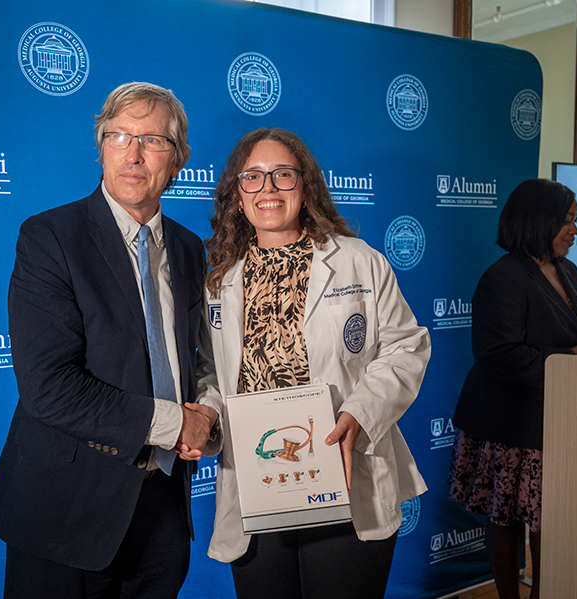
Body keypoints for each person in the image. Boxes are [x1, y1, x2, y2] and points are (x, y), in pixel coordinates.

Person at [0, 82, 218, 599]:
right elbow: (48, 387)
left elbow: (193, 359)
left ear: (177, 159)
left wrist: (210, 415)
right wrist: (178, 422)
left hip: (162, 507)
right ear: (101, 148)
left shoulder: (186, 248)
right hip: (65, 509)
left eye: (153, 140)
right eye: (119, 137)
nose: (133, 154)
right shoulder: (50, 237)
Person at [189, 128, 431, 599]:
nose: (268, 189)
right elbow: (210, 371)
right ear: (237, 196)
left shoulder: (360, 262)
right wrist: (210, 411)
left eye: (283, 175)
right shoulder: (218, 279)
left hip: (341, 469)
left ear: (306, 187)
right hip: (260, 481)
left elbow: (406, 347)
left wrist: (360, 413)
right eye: (253, 178)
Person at [448, 179, 577, 599]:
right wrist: (565, 358)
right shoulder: (501, 278)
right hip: (511, 423)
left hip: (560, 418)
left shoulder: (570, 271)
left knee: (549, 517)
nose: (575, 230)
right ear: (540, 220)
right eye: (568, 220)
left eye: (576, 221)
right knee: (507, 517)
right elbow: (498, 354)